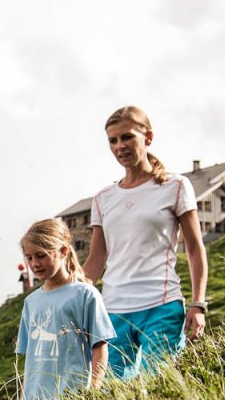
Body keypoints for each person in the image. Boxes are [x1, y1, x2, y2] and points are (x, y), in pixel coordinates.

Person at [83, 106, 209, 380]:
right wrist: (69, 299)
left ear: (147, 137)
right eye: (112, 140)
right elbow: (95, 261)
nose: (120, 146)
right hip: (114, 310)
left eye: (127, 137)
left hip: (161, 305)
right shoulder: (103, 198)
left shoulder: (175, 186)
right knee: (113, 394)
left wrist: (198, 304)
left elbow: (195, 248)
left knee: (162, 386)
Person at [16, 218, 115, 400]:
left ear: (63, 251)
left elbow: (100, 346)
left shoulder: (85, 294)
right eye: (29, 257)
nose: (35, 264)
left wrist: (93, 391)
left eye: (41, 256)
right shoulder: (31, 302)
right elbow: (30, 360)